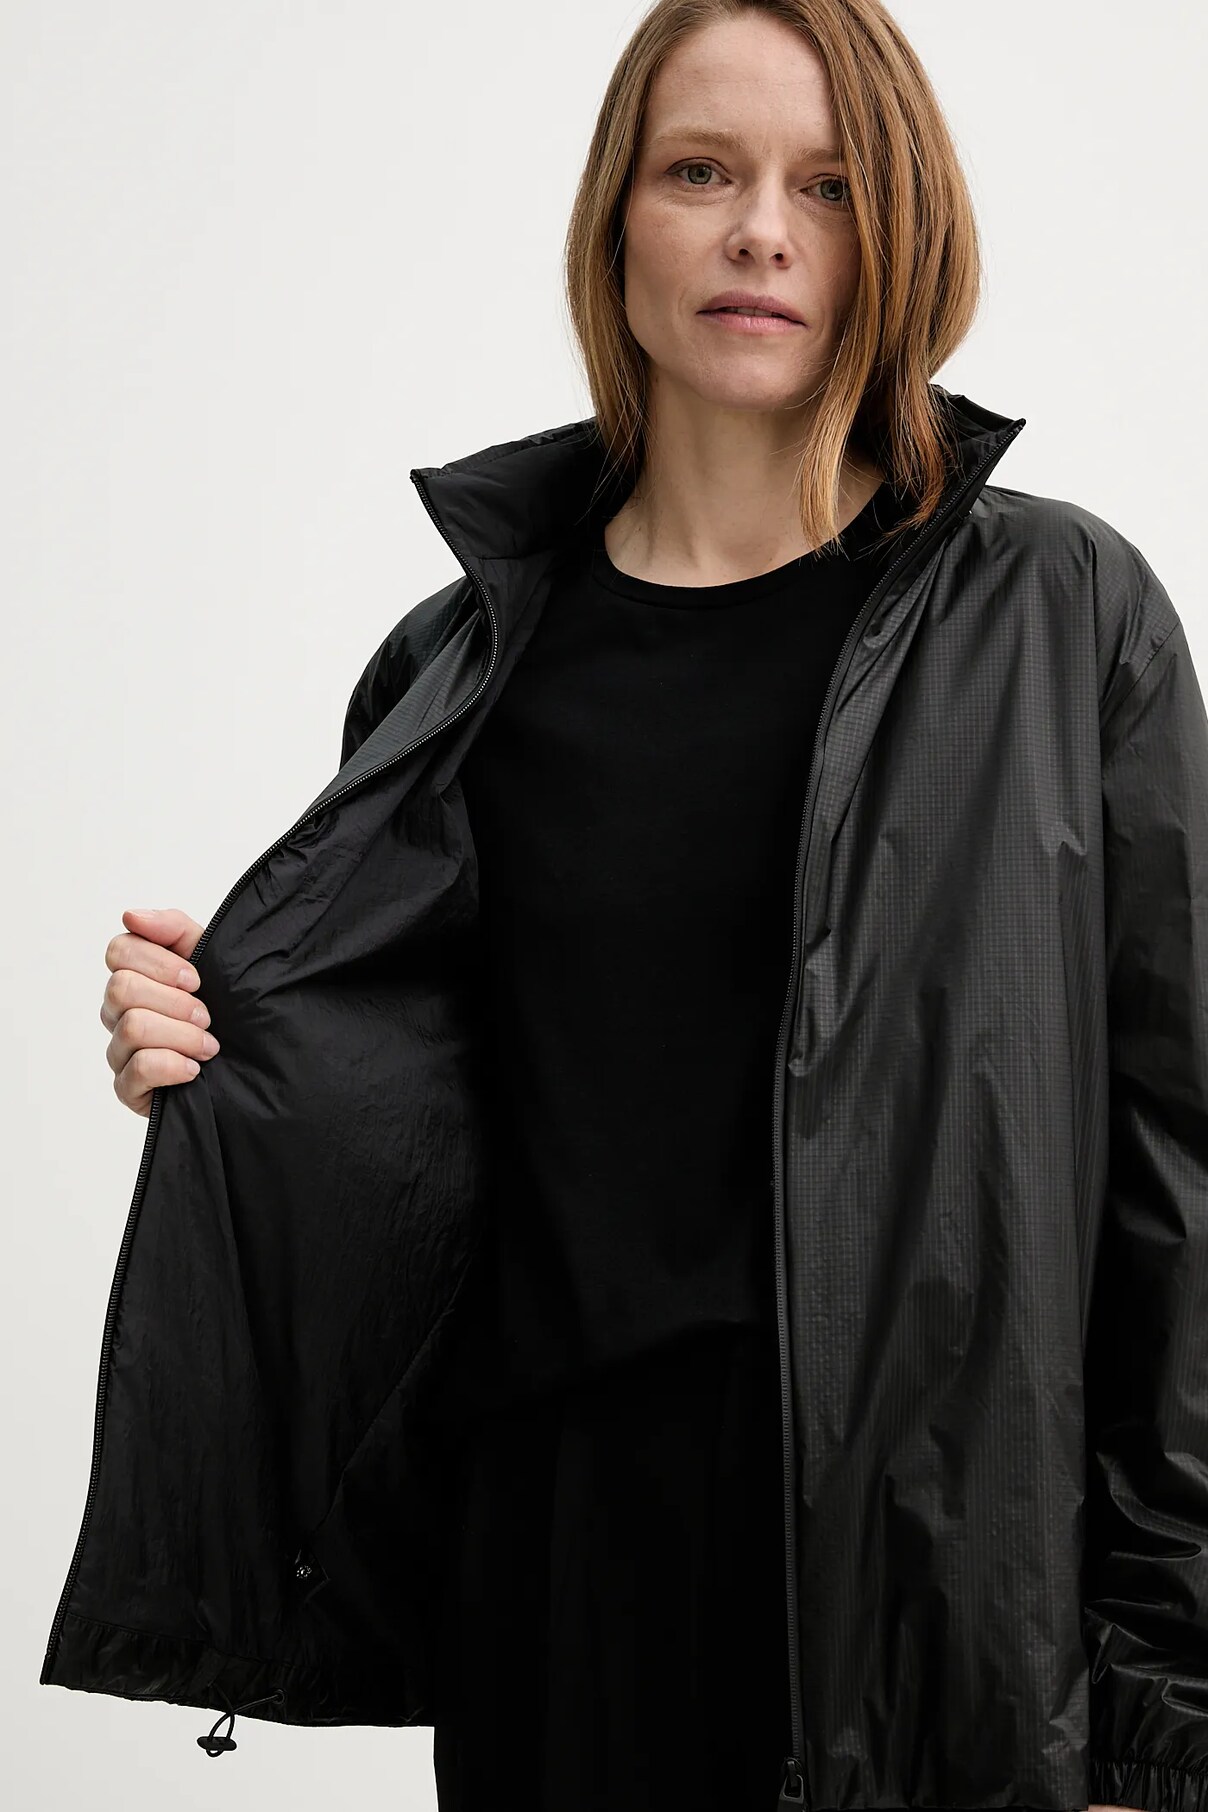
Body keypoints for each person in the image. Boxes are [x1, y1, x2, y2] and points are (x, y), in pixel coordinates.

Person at [53, 3, 1205, 1812]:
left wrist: (1161, 1702)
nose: (762, 232)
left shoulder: (1060, 615)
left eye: (829, 186)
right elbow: (431, 1149)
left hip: (934, 1582)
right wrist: (226, 1073)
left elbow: (1177, 1178)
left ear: (903, 227)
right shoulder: (455, 669)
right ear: (617, 221)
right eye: (701, 172)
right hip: (555, 1572)